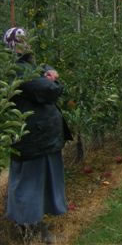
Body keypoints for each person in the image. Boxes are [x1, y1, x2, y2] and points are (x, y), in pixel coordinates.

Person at [4, 27, 72, 244]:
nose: (26, 44)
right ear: (13, 46)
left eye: (26, 40)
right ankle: (27, 228)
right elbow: (50, 90)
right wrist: (54, 79)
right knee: (29, 184)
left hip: (39, 138)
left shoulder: (25, 66)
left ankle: (32, 224)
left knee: (34, 182)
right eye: (20, 41)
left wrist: (49, 71)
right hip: (34, 139)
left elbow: (43, 68)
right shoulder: (18, 70)